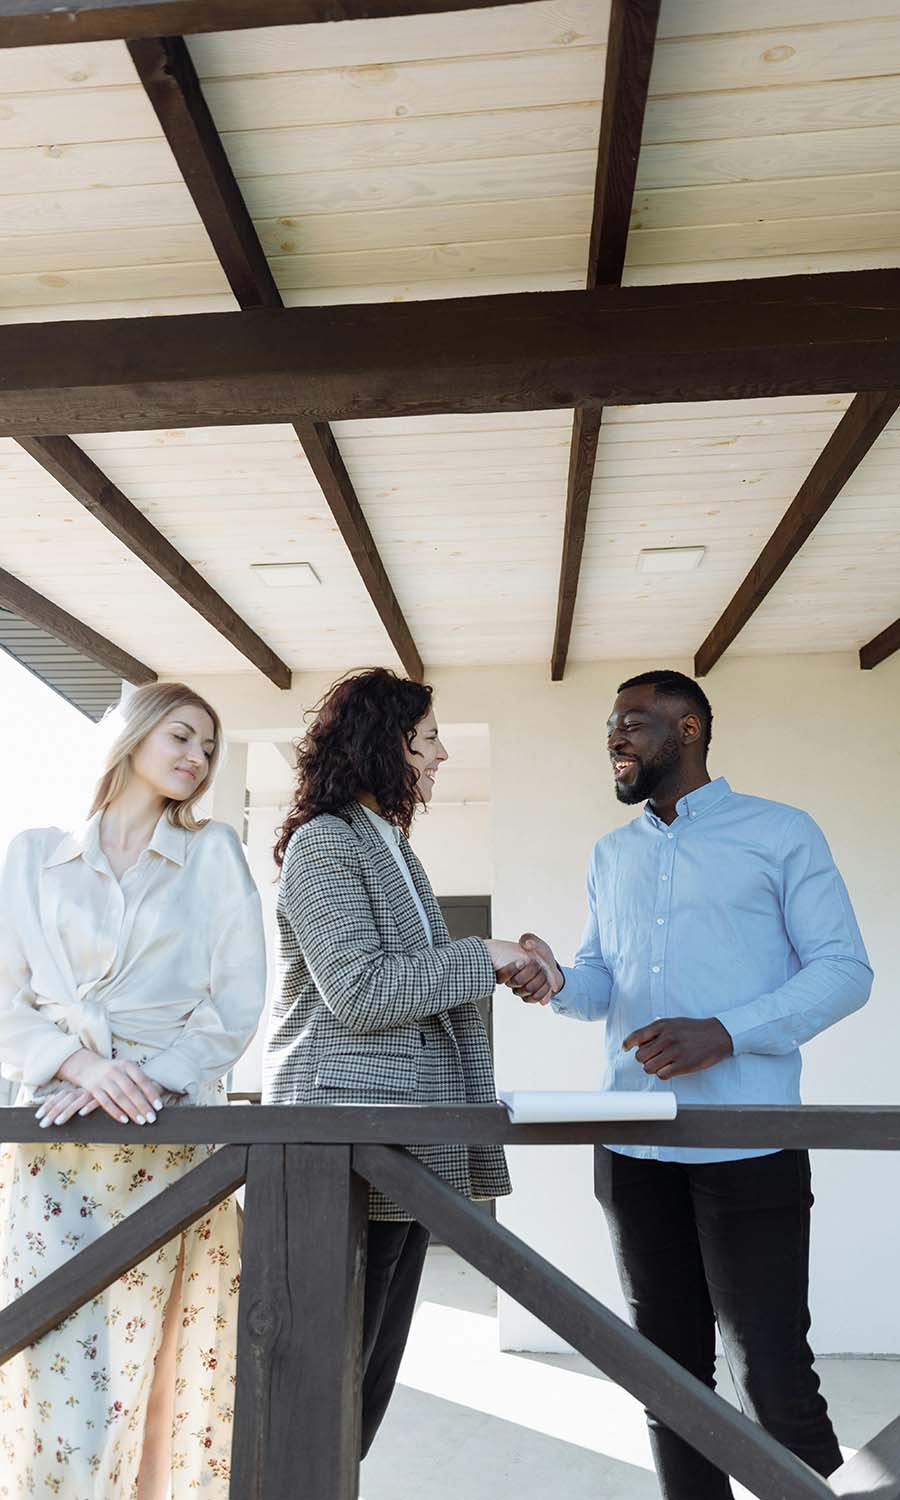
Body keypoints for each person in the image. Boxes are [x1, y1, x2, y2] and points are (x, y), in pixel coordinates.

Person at [500, 668, 873, 1500]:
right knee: (666, 1381)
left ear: (691, 728)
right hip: (632, 1149)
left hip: (749, 1142)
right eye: (608, 727)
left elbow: (846, 971)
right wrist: (555, 980)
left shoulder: (782, 834)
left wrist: (727, 1032)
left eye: (632, 722)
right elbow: (604, 982)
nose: (614, 738)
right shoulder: (611, 854)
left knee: (772, 1377)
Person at [264, 667, 545, 1458]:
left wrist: (502, 959)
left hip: (408, 1141)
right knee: (328, 1379)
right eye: (427, 741)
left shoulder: (392, 847)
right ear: (382, 747)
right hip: (346, 1145)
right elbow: (355, 991)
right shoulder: (324, 844)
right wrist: (480, 954)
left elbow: (408, 981)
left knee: (367, 1379)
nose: (442, 756)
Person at [0, 682, 266, 1500]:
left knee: (167, 1364)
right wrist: (81, 1067)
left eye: (209, 748)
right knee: (54, 1365)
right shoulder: (33, 854)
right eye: (182, 736)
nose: (197, 757)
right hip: (57, 1140)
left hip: (172, 1139)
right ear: (132, 735)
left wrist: (148, 1076)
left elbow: (238, 997)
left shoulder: (214, 851)